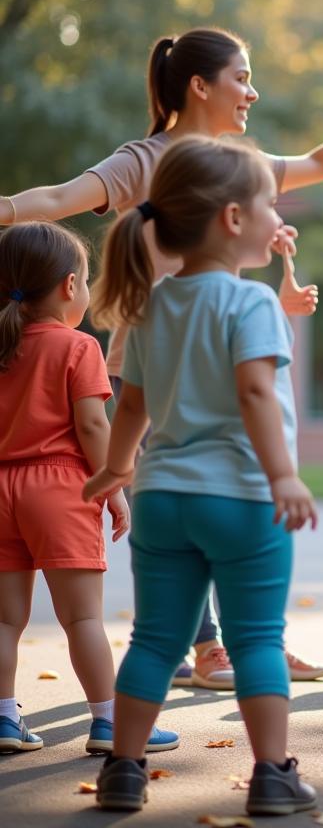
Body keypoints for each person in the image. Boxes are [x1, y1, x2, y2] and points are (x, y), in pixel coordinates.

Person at [0, 27, 323, 688]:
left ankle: (255, 640)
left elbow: (316, 162)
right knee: (181, 499)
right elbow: (57, 200)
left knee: (245, 492)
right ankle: (207, 647)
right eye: (242, 78)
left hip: (221, 357)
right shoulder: (146, 161)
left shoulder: (239, 166)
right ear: (201, 85)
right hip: (154, 363)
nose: (252, 91)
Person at [82, 136, 319, 815]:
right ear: (234, 221)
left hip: (161, 498)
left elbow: (132, 401)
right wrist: (284, 477)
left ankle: (123, 770)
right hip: (242, 498)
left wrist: (116, 469)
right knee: (255, 639)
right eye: (271, 204)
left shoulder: (151, 303)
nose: (279, 219)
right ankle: (272, 776)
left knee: (155, 639)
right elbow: (252, 393)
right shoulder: (252, 307)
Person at [0, 222, 177, 757]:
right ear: (69, 287)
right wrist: (112, 485)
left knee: (5, 619)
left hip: (1, 485)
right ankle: (108, 723)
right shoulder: (78, 347)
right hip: (59, 487)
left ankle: (5, 719)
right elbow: (94, 426)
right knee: (82, 618)